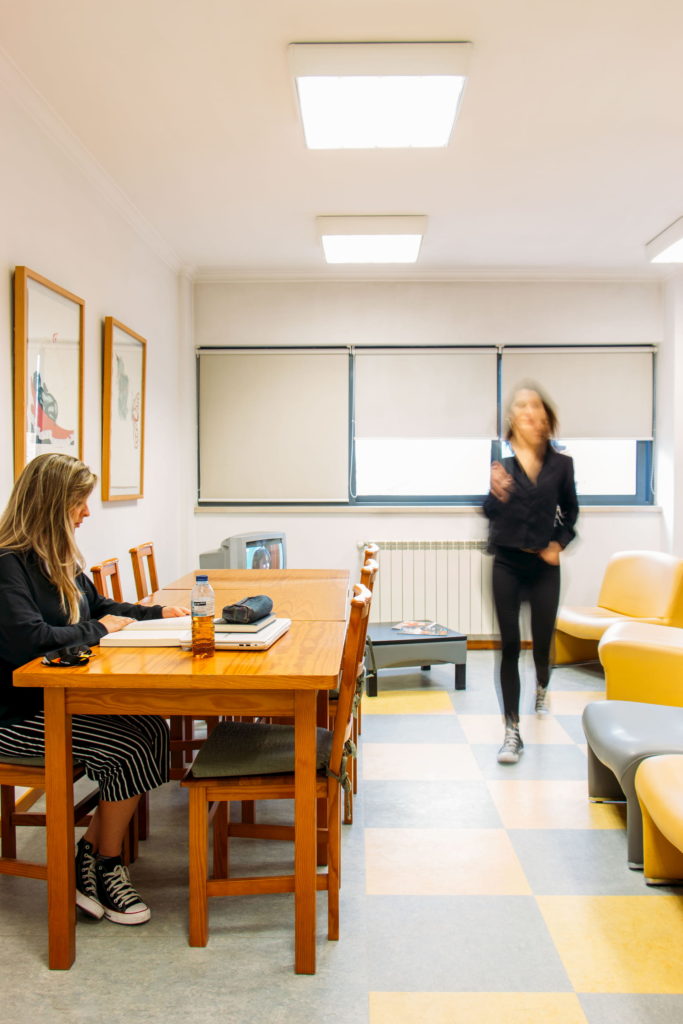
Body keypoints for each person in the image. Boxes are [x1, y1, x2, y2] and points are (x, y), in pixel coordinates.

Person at [0, 454, 189, 925]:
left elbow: (98, 605)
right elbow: (29, 640)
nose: (86, 512)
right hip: (14, 715)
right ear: (51, 504)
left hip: (54, 701)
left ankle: (91, 854)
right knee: (126, 745)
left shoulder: (56, 557)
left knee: (152, 729)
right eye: (79, 502)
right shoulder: (7, 564)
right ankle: (106, 863)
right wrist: (100, 629)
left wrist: (154, 614)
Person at [483, 384, 578, 764]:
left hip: (543, 568)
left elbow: (571, 512)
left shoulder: (562, 465)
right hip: (506, 563)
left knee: (541, 644)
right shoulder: (502, 466)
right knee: (509, 646)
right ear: (512, 418)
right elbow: (491, 514)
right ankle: (512, 732)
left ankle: (542, 684)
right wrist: (493, 495)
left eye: (534, 404)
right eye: (520, 405)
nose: (527, 410)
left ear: (544, 417)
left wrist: (559, 544)